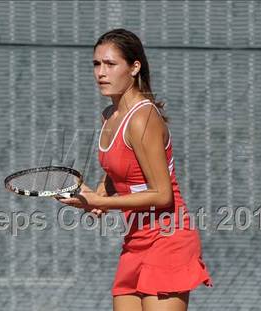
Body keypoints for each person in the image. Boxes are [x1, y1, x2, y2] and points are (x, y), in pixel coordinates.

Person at [58, 28, 213, 311]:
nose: (101, 73)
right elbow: (122, 174)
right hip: (135, 239)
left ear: (134, 67)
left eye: (110, 64)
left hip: (168, 239)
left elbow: (162, 195)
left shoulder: (142, 119)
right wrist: (97, 197)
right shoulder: (109, 116)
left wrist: (103, 201)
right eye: (96, 64)